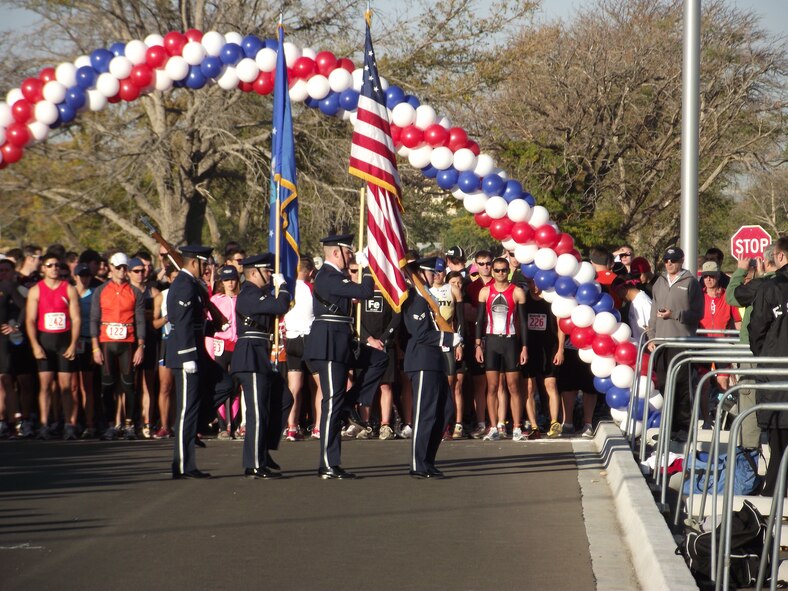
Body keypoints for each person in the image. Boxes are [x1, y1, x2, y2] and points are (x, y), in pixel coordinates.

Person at [303, 233, 374, 479]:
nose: (352, 256)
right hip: (329, 344)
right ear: (336, 253)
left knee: (379, 360)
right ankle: (328, 463)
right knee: (331, 401)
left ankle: (347, 406)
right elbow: (366, 291)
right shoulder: (328, 276)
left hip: (340, 341)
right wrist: (365, 269)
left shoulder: (336, 277)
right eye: (349, 252)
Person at [231, 254, 290, 479]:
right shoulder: (249, 294)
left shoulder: (259, 293)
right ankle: (254, 463)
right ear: (254, 273)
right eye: (267, 271)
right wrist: (283, 285)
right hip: (250, 357)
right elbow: (281, 304)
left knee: (284, 398)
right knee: (257, 412)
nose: (270, 275)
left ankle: (264, 449)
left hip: (260, 355)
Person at [402, 257, 460, 477]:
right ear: (420, 275)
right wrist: (448, 338)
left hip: (434, 361)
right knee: (424, 414)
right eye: (431, 273)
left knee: (444, 410)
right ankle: (418, 464)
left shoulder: (428, 299)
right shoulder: (415, 300)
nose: (436, 277)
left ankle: (428, 460)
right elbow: (421, 333)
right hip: (422, 361)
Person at [166, 245, 215, 479]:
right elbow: (183, 322)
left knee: (223, 384)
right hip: (187, 352)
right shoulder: (184, 285)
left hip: (196, 349)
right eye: (204, 264)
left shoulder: (193, 285)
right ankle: (183, 466)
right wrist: (187, 356)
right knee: (186, 409)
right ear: (194, 263)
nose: (206, 269)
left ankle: (196, 428)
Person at [646, 246, 704, 441]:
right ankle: (668, 428)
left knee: (683, 387)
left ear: (681, 261)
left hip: (682, 341)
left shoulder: (691, 283)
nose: (669, 264)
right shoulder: (659, 283)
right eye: (667, 260)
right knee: (664, 386)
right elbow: (653, 312)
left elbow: (697, 314)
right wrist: (651, 336)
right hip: (662, 343)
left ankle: (684, 430)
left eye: (673, 260)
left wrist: (675, 315)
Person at [747, 236, 788, 496]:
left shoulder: (772, 287)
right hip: (776, 370)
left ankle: (775, 494)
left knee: (779, 441)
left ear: (780, 256)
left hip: (777, 374)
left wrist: (764, 355)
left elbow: (756, 329)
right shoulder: (772, 287)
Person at [25, 251, 81, 439]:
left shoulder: (69, 289)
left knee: (67, 387)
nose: (54, 268)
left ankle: (69, 424)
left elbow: (76, 318)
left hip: (63, 341)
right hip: (45, 341)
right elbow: (30, 320)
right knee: (45, 386)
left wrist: (73, 344)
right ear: (43, 269)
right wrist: (35, 345)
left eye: (57, 265)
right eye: (50, 265)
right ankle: (44, 424)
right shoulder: (36, 290)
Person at [90, 253, 146, 440]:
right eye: (118, 267)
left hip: (127, 343)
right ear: (111, 268)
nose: (121, 271)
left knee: (129, 384)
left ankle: (129, 424)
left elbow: (140, 320)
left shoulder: (135, 292)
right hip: (107, 342)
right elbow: (94, 319)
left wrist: (141, 346)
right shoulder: (100, 290)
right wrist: (95, 347)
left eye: (124, 268)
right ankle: (109, 425)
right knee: (107, 385)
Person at [475, 256, 529, 441]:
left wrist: (524, 347)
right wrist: (477, 345)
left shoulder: (517, 292)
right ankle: (493, 427)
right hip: (491, 342)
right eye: (496, 270)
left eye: (503, 270)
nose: (500, 273)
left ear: (508, 271)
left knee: (513, 386)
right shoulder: (484, 292)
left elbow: (523, 322)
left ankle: (516, 427)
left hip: (510, 342)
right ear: (492, 271)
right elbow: (480, 320)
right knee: (492, 386)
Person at [283, 257, 321, 440]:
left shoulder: (285, 289)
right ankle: (318, 427)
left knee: (294, 386)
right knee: (319, 386)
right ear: (311, 272)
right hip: (309, 338)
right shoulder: (311, 288)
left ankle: (292, 426)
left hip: (291, 340)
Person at [523, 277, 564, 439]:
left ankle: (554, 422)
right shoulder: (523, 298)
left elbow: (561, 325)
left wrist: (561, 349)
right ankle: (534, 425)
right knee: (529, 387)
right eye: (530, 282)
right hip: (529, 349)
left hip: (550, 348)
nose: (534, 286)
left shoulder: (551, 299)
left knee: (551, 384)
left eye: (537, 282)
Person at [430, 262, 465, 439]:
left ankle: (449, 425)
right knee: (432, 385)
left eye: (440, 271)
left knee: (449, 385)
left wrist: (459, 344)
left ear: (445, 272)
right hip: (431, 343)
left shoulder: (452, 290)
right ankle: (433, 424)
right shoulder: (425, 290)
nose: (437, 274)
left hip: (448, 342)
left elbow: (460, 320)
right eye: (434, 271)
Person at [128, 256, 161, 438]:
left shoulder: (154, 292)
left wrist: (138, 314)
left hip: (150, 339)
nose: (142, 274)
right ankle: (129, 421)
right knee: (129, 384)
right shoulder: (126, 291)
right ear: (129, 272)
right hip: (129, 340)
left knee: (148, 384)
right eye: (137, 271)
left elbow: (155, 317)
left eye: (144, 270)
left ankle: (147, 422)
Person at [209, 265, 241, 439]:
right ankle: (222, 427)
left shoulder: (242, 299)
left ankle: (234, 426)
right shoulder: (216, 300)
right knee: (221, 385)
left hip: (237, 345)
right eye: (226, 280)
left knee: (236, 387)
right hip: (221, 344)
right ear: (222, 282)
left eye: (233, 279)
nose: (230, 283)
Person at [465, 250, 494, 438]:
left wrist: (480, 314)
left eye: (488, 263)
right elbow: (468, 314)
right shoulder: (470, 288)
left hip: (496, 338)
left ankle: (497, 423)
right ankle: (481, 422)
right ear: (476, 264)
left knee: (496, 385)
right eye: (481, 264)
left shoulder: (500, 284)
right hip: (475, 340)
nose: (485, 267)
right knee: (479, 384)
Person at [73, 263, 97, 438]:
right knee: (72, 385)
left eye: (87, 275)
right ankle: (72, 422)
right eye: (81, 275)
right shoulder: (69, 292)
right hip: (72, 342)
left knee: (87, 385)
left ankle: (89, 423)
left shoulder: (94, 294)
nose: (85, 278)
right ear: (75, 276)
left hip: (88, 341)